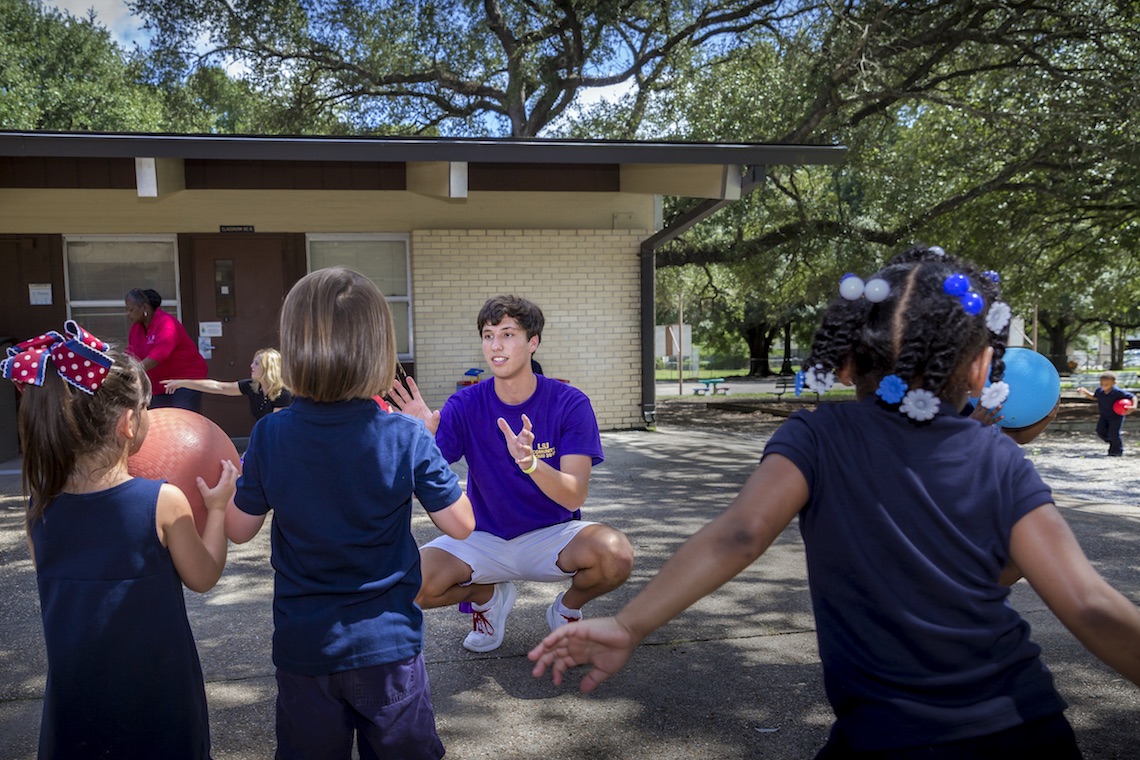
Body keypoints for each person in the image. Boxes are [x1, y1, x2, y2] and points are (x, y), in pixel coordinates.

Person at [529, 246, 1140, 757]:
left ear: (846, 361)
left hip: (880, 733)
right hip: (1021, 728)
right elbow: (1083, 602)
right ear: (982, 368)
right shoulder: (999, 460)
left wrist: (631, 623)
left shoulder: (816, 438)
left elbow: (738, 535)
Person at [226, 267, 475, 760]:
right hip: (388, 647)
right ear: (379, 350)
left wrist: (218, 496)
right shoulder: (404, 436)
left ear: (293, 350)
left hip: (304, 648)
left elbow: (237, 530)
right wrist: (424, 434)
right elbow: (461, 524)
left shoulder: (271, 435)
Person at [1, 320, 237, 759]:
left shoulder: (39, 511)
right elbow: (204, 576)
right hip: (159, 704)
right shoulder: (162, 502)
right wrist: (219, 507)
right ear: (128, 423)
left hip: (76, 705)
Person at [390, 295, 634, 653]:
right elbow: (422, 486)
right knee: (405, 586)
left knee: (616, 555)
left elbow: (574, 495)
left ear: (533, 342)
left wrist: (531, 463)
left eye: (507, 334)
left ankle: (566, 610)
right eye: (488, 335)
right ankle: (486, 597)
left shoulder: (570, 403)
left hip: (551, 535)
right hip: (483, 536)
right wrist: (421, 442)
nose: (495, 345)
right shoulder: (466, 404)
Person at [125, 288, 208, 411]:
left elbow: (158, 356)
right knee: (160, 419)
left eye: (131, 309)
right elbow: (131, 354)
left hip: (185, 380)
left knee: (181, 418)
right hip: (159, 383)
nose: (128, 314)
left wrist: (131, 372)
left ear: (144, 308)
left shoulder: (167, 324)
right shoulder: (136, 328)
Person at [164, 348, 293, 421]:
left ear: (268, 368)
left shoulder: (283, 394)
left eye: (257, 363)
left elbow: (275, 426)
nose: (251, 366)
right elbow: (218, 387)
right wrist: (182, 383)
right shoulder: (253, 387)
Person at [1077, 371, 1135, 456]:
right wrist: (1086, 392)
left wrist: (1133, 406)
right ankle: (1112, 441)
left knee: (1114, 433)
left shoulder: (1117, 392)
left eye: (1106, 384)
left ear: (1114, 383)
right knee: (1100, 431)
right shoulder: (1100, 391)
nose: (1103, 386)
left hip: (1116, 416)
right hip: (1104, 415)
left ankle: (1117, 451)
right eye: (1102, 384)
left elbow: (1133, 397)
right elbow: (1094, 397)